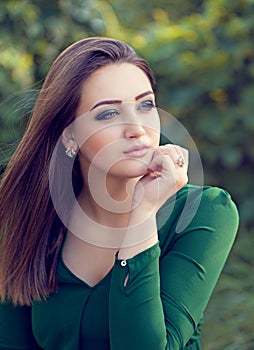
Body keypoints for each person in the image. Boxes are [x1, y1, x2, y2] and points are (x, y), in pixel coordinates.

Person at [0, 37, 239, 350]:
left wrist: (142, 215)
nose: (136, 128)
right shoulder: (34, 221)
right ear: (69, 135)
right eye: (108, 114)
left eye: (145, 105)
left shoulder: (204, 212)